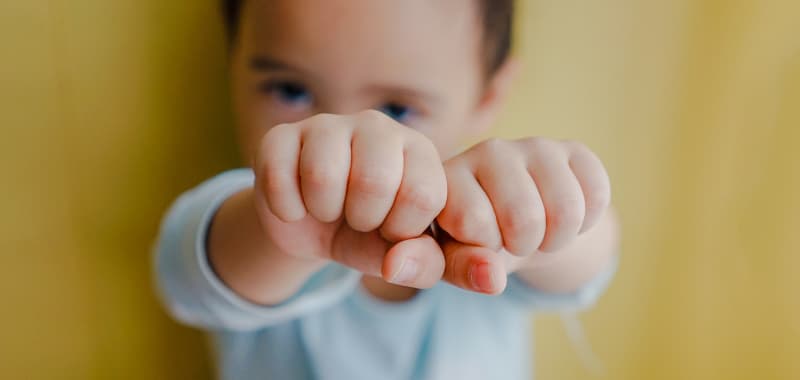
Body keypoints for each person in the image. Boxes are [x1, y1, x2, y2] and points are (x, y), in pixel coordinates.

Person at [154, 0, 620, 379]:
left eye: (397, 107)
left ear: (487, 99)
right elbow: (186, 277)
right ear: (231, 62)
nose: (343, 139)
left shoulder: (486, 213)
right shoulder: (245, 214)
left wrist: (541, 216)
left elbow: (590, 261)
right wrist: (284, 228)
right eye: (290, 89)